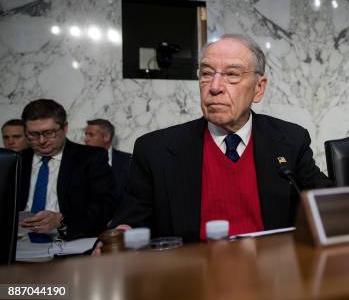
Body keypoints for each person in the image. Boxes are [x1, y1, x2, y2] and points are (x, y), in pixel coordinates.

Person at [111, 34, 334, 241]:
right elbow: (129, 224)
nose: (215, 87)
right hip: (190, 277)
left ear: (258, 88)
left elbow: (328, 201)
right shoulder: (155, 150)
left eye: (232, 75)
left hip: (272, 274)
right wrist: (118, 235)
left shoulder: (290, 140)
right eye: (207, 73)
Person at [18, 99, 115, 239]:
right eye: (33, 134)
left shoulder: (90, 158)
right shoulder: (17, 160)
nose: (41, 141)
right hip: (19, 244)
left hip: (68, 242)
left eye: (49, 133)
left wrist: (61, 221)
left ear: (65, 128)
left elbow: (105, 207)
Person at [84, 119, 132, 207]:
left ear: (106, 137)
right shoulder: (78, 162)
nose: (86, 139)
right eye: (86, 134)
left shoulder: (127, 161)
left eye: (91, 135)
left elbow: (133, 197)